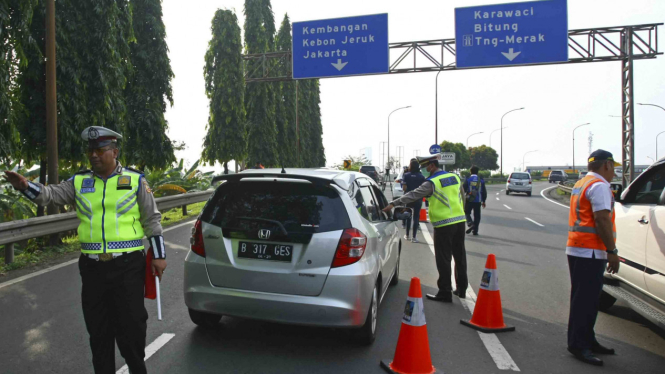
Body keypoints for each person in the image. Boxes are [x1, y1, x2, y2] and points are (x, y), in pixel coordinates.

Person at [3, 126, 167, 374]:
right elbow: (50, 195)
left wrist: (159, 256)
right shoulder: (80, 181)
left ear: (114, 152)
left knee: (131, 328)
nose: (93, 155)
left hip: (127, 267)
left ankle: (136, 369)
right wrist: (25, 186)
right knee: (98, 332)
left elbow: (152, 220)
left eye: (100, 150)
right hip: (92, 269)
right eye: (91, 150)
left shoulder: (135, 180)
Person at [382, 154, 468, 302]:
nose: (424, 171)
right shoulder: (455, 178)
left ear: (432, 166)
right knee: (460, 256)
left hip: (444, 224)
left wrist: (394, 203)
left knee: (444, 259)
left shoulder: (432, 182)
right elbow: (463, 197)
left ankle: (445, 291)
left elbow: (414, 195)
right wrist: (460, 213)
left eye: (426, 167)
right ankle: (461, 289)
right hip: (460, 221)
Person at [566, 149, 621, 366]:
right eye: (613, 167)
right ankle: (579, 345)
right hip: (589, 251)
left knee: (587, 300)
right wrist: (612, 251)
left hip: (580, 248)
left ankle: (588, 340)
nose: (614, 172)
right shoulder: (599, 187)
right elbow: (602, 220)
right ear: (606, 165)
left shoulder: (582, 183)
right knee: (585, 301)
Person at [396, 159, 426, 242]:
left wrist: (404, 186)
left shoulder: (406, 175)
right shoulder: (421, 176)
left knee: (408, 215)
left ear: (410, 166)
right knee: (416, 217)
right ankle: (414, 237)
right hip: (418, 198)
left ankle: (407, 235)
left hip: (408, 198)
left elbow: (404, 188)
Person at [464, 165, 487, 235]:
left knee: (466, 212)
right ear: (477, 172)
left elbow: (463, 189)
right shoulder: (481, 180)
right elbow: (484, 192)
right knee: (477, 216)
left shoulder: (468, 180)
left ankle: (470, 223)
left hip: (469, 200)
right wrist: (484, 201)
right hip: (478, 201)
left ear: (470, 172)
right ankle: (475, 231)